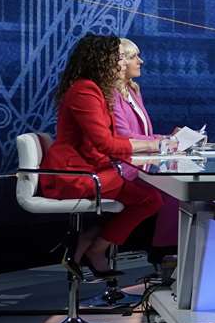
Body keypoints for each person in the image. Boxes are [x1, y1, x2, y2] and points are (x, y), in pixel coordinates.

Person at [39, 33, 165, 277]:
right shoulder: (84, 91)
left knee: (151, 199)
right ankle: (94, 247)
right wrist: (152, 146)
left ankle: (89, 241)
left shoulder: (94, 89)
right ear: (102, 60)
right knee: (150, 199)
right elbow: (105, 143)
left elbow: (106, 142)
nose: (121, 63)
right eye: (117, 58)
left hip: (93, 168)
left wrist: (153, 144)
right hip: (75, 173)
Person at [107, 37, 184, 265]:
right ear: (118, 62)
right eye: (133, 57)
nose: (140, 61)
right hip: (121, 166)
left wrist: (169, 138)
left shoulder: (133, 90)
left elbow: (141, 134)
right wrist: (165, 140)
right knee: (174, 188)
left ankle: (172, 252)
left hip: (138, 161)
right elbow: (125, 137)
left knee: (176, 183)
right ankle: (165, 254)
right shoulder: (112, 93)